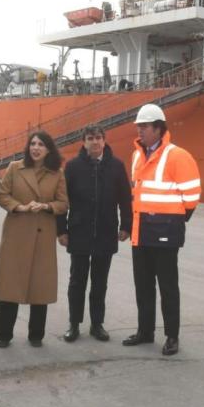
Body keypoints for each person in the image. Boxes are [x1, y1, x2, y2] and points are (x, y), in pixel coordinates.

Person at [122, 104, 200, 356]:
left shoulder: (178, 156)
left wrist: (171, 220)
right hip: (140, 231)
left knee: (168, 287)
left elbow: (192, 198)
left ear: (158, 128)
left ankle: (172, 336)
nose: (139, 131)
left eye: (144, 127)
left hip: (165, 233)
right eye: (138, 127)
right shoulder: (137, 156)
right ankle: (145, 331)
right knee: (143, 286)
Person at [57, 124, 132, 343]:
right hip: (79, 231)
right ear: (84, 142)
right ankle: (74, 324)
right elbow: (62, 200)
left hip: (106, 231)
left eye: (98, 137)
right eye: (90, 138)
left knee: (100, 282)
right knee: (77, 282)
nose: (95, 142)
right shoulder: (72, 167)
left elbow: (125, 198)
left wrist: (126, 225)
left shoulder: (117, 166)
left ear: (104, 140)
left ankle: (97, 324)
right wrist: (61, 230)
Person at [0, 131, 68, 347]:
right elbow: (2, 195)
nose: (36, 148)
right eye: (33, 144)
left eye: (41, 145)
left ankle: (36, 335)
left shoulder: (57, 173)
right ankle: (4, 335)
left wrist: (46, 206)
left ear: (49, 149)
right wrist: (20, 207)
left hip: (42, 235)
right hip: (16, 233)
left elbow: (63, 203)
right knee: (10, 284)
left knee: (40, 287)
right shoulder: (14, 168)